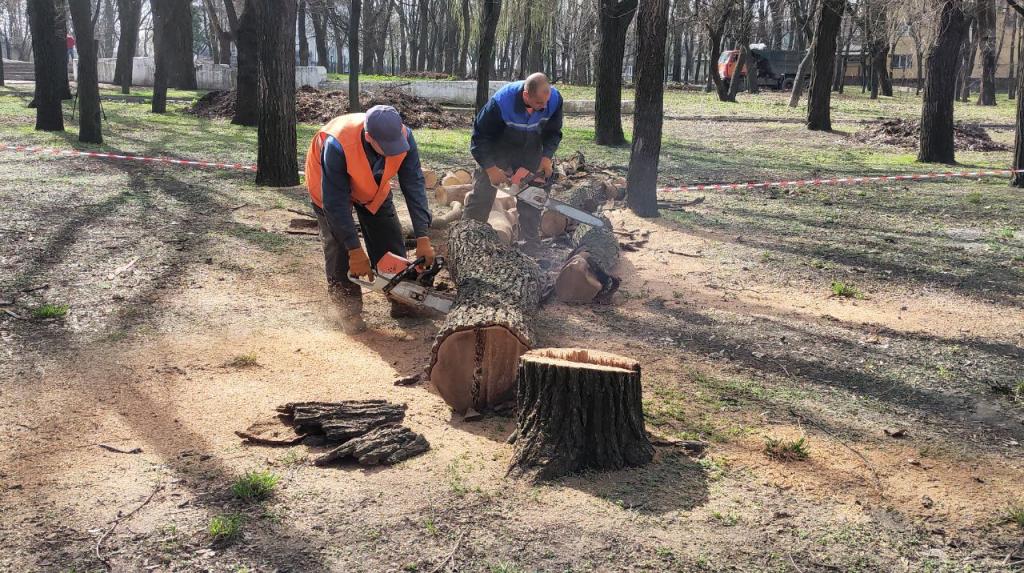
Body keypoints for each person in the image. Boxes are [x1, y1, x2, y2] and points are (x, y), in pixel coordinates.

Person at [304, 105, 433, 334]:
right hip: (327, 188)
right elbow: (335, 204)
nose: (393, 152)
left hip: (373, 188)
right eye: (386, 148)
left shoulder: (405, 137)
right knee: (338, 248)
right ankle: (347, 310)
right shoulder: (338, 145)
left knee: (389, 240)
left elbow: (413, 184)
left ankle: (401, 299)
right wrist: (354, 249)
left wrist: (423, 235)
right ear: (368, 137)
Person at [466, 72, 563, 254]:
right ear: (526, 95)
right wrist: (490, 167)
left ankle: (530, 247)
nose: (543, 108)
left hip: (531, 149)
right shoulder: (501, 102)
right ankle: (469, 242)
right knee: (481, 197)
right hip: (498, 148)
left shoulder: (554, 100)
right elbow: (480, 138)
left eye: (546, 102)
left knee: (533, 199)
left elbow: (553, 132)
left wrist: (546, 157)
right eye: (538, 104)